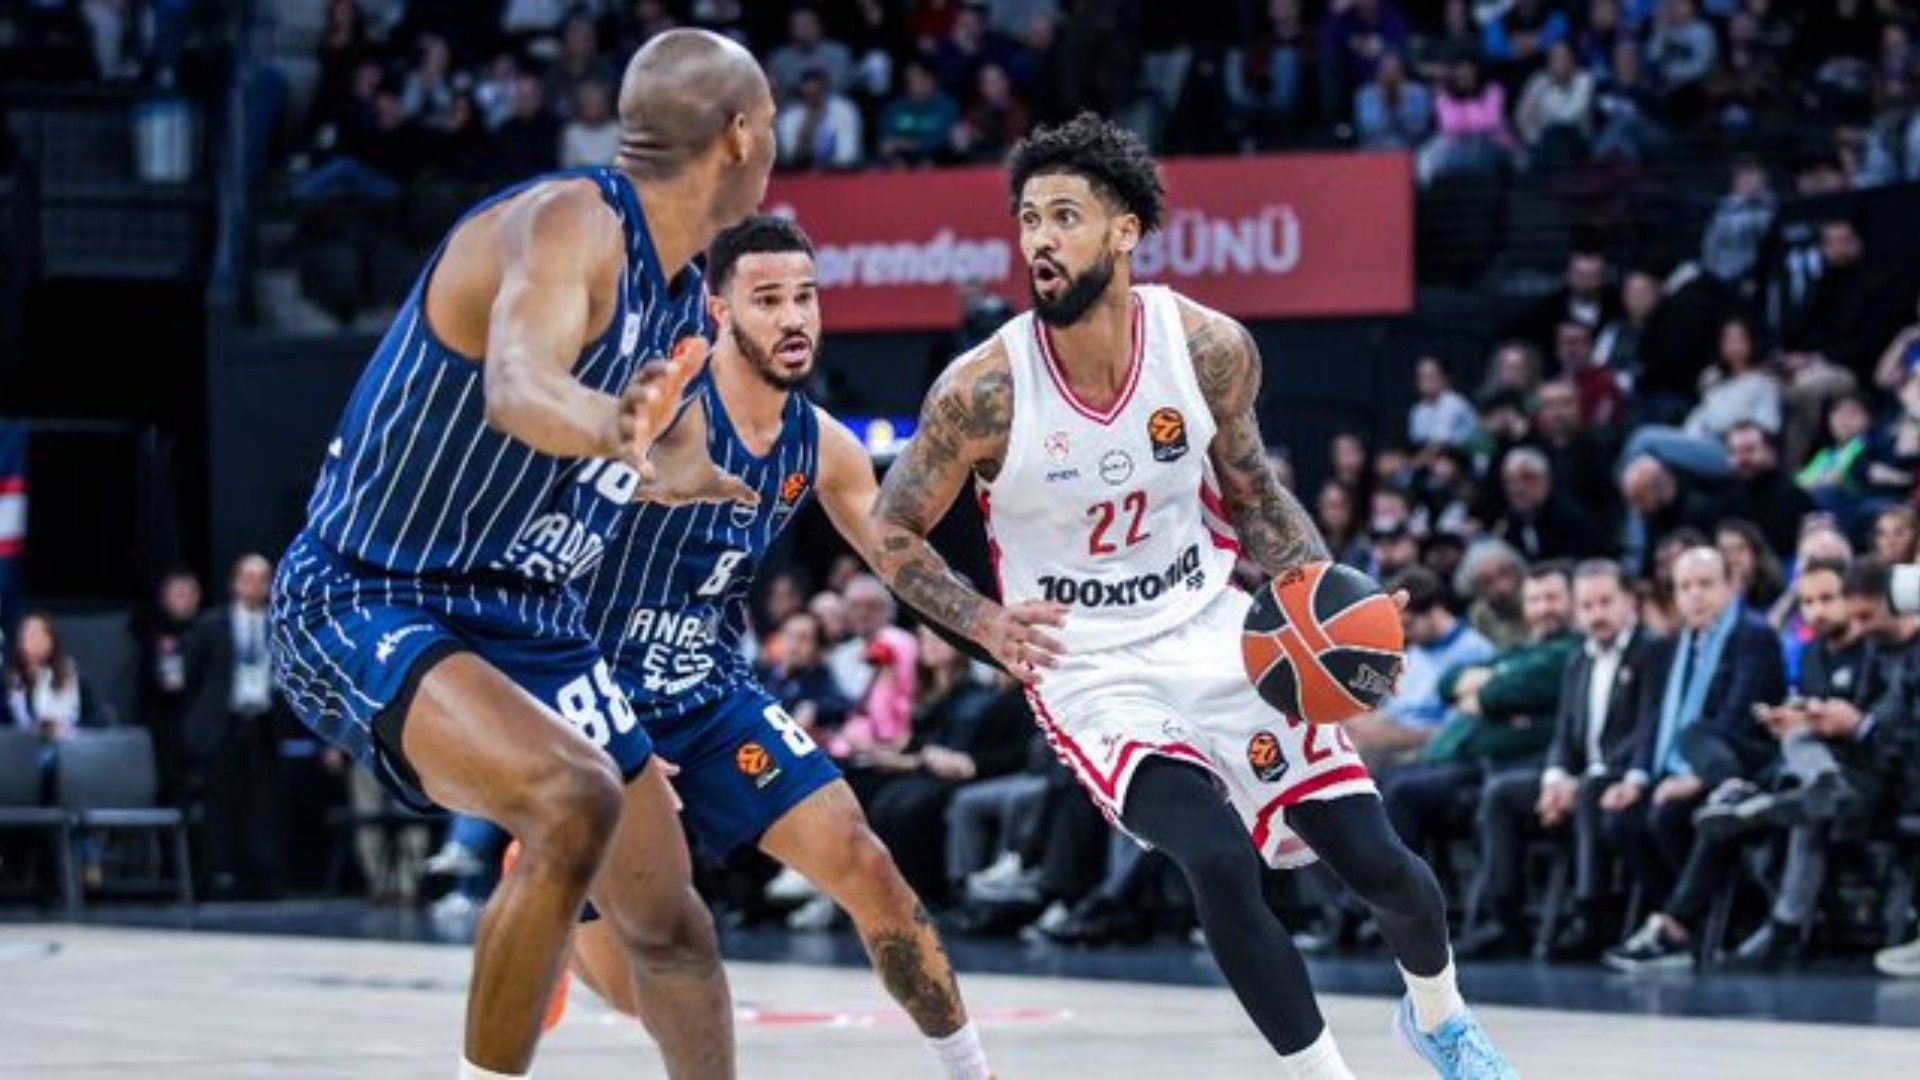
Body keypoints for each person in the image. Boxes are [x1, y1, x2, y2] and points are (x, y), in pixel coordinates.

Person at [866, 113, 1514, 1080]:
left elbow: (1253, 495)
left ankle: (1441, 1020)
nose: (1040, 239)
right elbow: (890, 529)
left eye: (1065, 216)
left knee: (1379, 863)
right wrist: (983, 620)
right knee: (1215, 857)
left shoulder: (1205, 346)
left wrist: (1326, 604)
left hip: (1213, 627)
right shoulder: (983, 391)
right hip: (1088, 663)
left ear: (1125, 229)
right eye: (1029, 219)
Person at [269, 29, 773, 1079]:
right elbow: (519, 385)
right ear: (739, 136)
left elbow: (665, 441)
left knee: (674, 930)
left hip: (529, 621)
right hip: (368, 593)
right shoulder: (567, 222)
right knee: (569, 797)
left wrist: (687, 467)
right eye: (771, 127)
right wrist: (610, 426)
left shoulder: (683, 296)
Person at [559, 216, 996, 1078]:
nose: (794, 318)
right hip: (594, 705)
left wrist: (995, 631)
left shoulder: (823, 444)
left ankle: (973, 1072)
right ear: (719, 310)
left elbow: (900, 560)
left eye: (805, 297)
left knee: (867, 864)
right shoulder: (655, 411)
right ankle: (542, 877)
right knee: (652, 988)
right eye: (768, 300)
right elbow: (542, 573)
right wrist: (599, 732)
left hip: (712, 696)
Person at [1460, 560, 1660, 959]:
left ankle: (1591, 917)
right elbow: (1565, 736)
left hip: (1625, 775)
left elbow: (1648, 730)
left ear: (1630, 602)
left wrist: (1582, 779)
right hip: (1582, 777)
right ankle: (1505, 920)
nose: (1597, 614)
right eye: (1587, 606)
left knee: (1588, 790)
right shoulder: (1578, 659)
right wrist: (1554, 778)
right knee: (1502, 793)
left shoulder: (1653, 652)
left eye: (1606, 602)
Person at [185, 554, 294, 900]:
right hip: (222, 725)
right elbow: (193, 677)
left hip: (263, 724)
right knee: (220, 802)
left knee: (262, 806)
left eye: (262, 578)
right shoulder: (211, 624)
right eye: (248, 577)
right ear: (234, 582)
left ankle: (263, 877)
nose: (255, 585)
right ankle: (218, 875)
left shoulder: (281, 625)